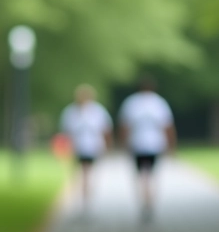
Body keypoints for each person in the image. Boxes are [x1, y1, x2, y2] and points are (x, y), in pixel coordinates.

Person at [118, 75, 176, 221]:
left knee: (141, 176)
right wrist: (171, 145)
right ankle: (149, 202)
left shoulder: (131, 103)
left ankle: (145, 201)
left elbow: (125, 127)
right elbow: (168, 127)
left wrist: (123, 144)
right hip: (155, 145)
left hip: (137, 144)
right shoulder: (159, 103)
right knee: (151, 175)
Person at [59, 84, 112, 211]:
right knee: (82, 174)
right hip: (78, 148)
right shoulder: (71, 112)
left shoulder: (97, 111)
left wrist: (107, 145)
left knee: (87, 174)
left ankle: (86, 201)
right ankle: (84, 200)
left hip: (93, 147)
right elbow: (66, 133)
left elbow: (105, 130)